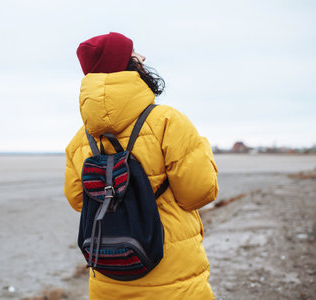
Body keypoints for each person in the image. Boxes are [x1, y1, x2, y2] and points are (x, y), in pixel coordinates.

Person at [64, 32, 219, 300]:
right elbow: (199, 193)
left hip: (108, 277)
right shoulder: (168, 121)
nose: (143, 57)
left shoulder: (81, 139)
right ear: (122, 63)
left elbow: (79, 200)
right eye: (134, 52)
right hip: (174, 279)